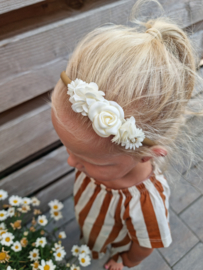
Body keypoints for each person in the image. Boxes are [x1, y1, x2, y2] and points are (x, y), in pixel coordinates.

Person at [51, 0, 203, 269]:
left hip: (117, 244)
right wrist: (90, 163)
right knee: (91, 233)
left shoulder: (146, 205)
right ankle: (91, 241)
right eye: (70, 149)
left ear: (146, 155)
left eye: (87, 161)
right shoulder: (101, 163)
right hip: (92, 215)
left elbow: (145, 244)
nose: (71, 163)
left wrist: (125, 261)